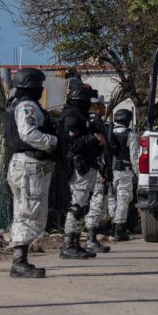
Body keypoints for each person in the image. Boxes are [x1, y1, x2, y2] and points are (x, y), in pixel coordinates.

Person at [4, 68, 57, 279]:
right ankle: (19, 263)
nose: (41, 89)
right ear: (32, 85)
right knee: (31, 215)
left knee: (23, 213)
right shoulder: (27, 106)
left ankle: (20, 260)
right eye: (39, 86)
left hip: (23, 166)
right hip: (29, 167)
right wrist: (53, 143)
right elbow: (28, 133)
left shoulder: (16, 104)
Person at [60, 82, 105, 259]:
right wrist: (94, 138)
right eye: (87, 100)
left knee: (82, 206)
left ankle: (76, 242)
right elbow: (74, 144)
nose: (89, 104)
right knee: (77, 206)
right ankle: (68, 244)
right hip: (79, 167)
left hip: (88, 166)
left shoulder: (82, 117)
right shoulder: (71, 117)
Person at [81, 93, 113, 254]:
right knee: (96, 203)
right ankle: (91, 239)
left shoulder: (88, 121)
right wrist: (104, 169)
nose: (104, 108)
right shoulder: (95, 122)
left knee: (92, 203)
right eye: (102, 105)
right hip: (96, 169)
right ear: (96, 106)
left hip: (91, 168)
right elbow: (101, 148)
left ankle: (88, 238)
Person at [105, 108, 137, 241]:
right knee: (124, 198)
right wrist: (139, 175)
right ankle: (119, 229)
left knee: (112, 198)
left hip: (109, 171)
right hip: (124, 171)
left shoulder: (108, 133)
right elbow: (134, 157)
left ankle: (113, 226)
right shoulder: (130, 134)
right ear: (128, 120)